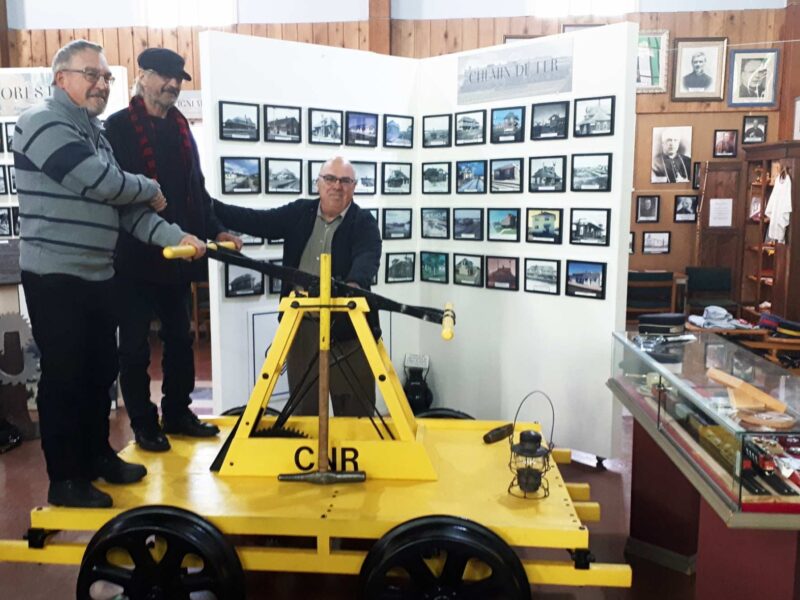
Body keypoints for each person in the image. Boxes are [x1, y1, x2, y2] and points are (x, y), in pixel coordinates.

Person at [14, 40, 205, 508]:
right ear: (62, 79)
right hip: (57, 278)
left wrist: (176, 238)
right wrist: (150, 186)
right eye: (90, 75)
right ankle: (66, 480)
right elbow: (103, 183)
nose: (101, 84)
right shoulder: (41, 123)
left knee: (100, 374)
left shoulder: (96, 134)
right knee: (65, 378)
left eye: (105, 77)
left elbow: (127, 210)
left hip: (99, 275)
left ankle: (99, 456)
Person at [104, 48, 242, 452]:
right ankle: (144, 424)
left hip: (178, 259)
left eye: (178, 78)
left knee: (181, 340)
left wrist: (218, 230)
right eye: (165, 76)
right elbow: (121, 196)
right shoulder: (117, 128)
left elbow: (196, 192)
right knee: (132, 347)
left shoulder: (182, 128)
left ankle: (178, 413)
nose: (173, 84)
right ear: (143, 76)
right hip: (133, 259)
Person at [213, 156, 381, 416]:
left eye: (345, 181)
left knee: (356, 413)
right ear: (318, 184)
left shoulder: (364, 223)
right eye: (330, 179)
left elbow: (366, 262)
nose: (337, 186)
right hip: (302, 326)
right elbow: (257, 221)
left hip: (348, 329)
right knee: (305, 410)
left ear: (354, 187)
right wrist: (208, 207)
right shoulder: (299, 212)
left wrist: (350, 286)